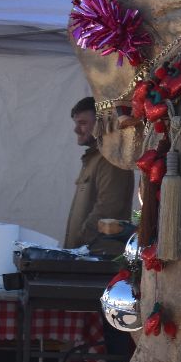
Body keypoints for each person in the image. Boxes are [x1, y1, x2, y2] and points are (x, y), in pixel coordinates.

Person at [64, 97, 134, 254]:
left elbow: (108, 208)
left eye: (82, 123)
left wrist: (78, 241)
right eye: (76, 123)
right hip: (86, 254)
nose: (76, 130)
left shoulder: (110, 159)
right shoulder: (93, 158)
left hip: (99, 256)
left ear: (100, 123)